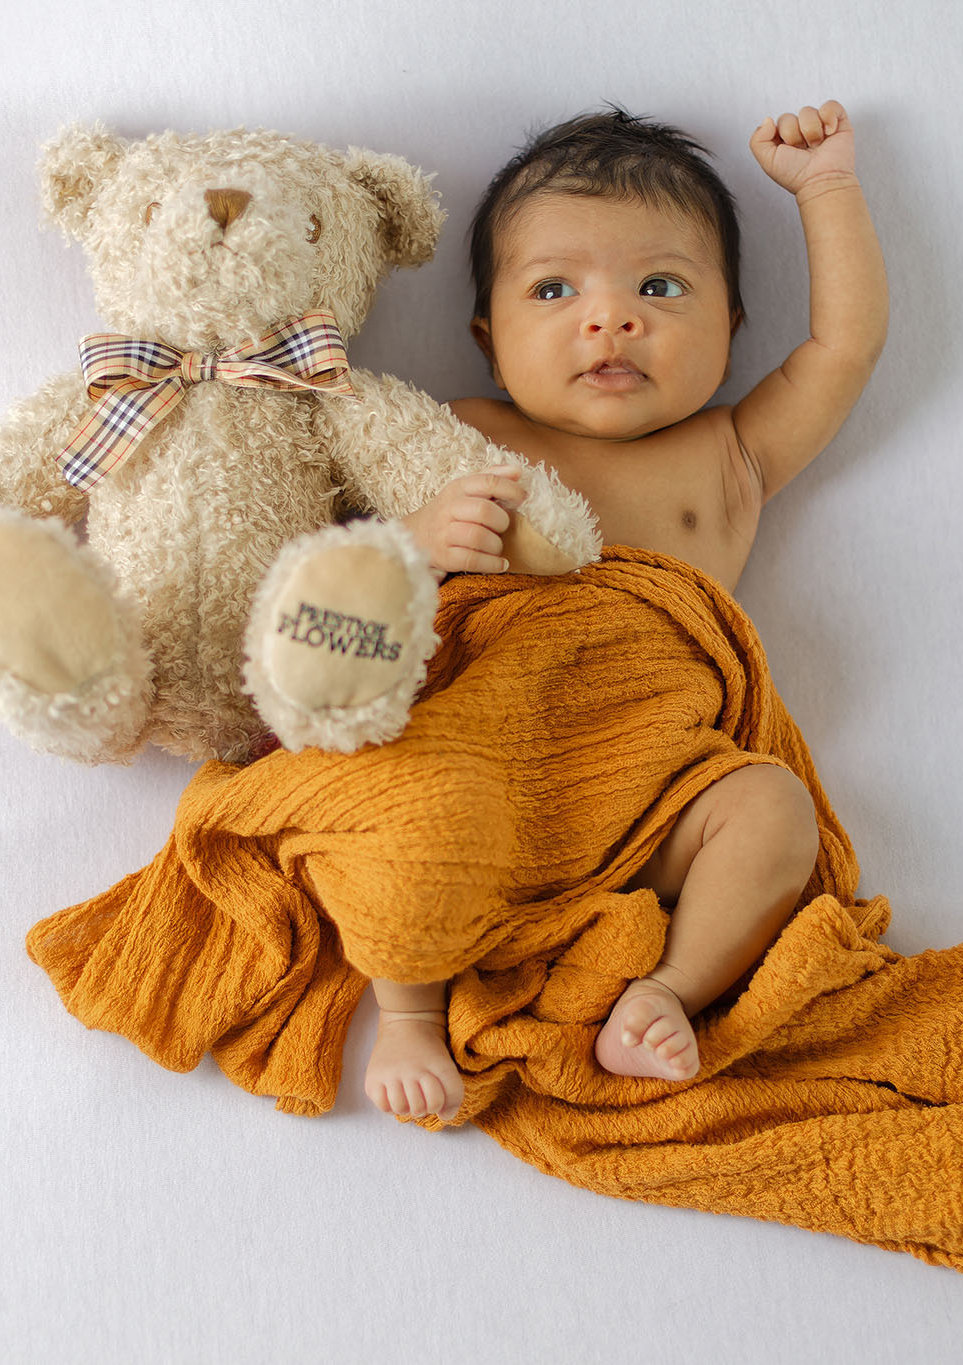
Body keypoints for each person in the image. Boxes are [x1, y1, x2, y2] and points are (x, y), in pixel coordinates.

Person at [363, 102, 889, 1123]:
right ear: (487, 337)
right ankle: (409, 1019)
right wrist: (416, 543)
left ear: (731, 326)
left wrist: (826, 188)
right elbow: (334, 569)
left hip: (652, 795)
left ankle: (667, 992)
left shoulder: (729, 455)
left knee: (770, 806)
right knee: (394, 796)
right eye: (554, 289)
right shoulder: (454, 435)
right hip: (486, 768)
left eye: (659, 286)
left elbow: (845, 346)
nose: (609, 320)